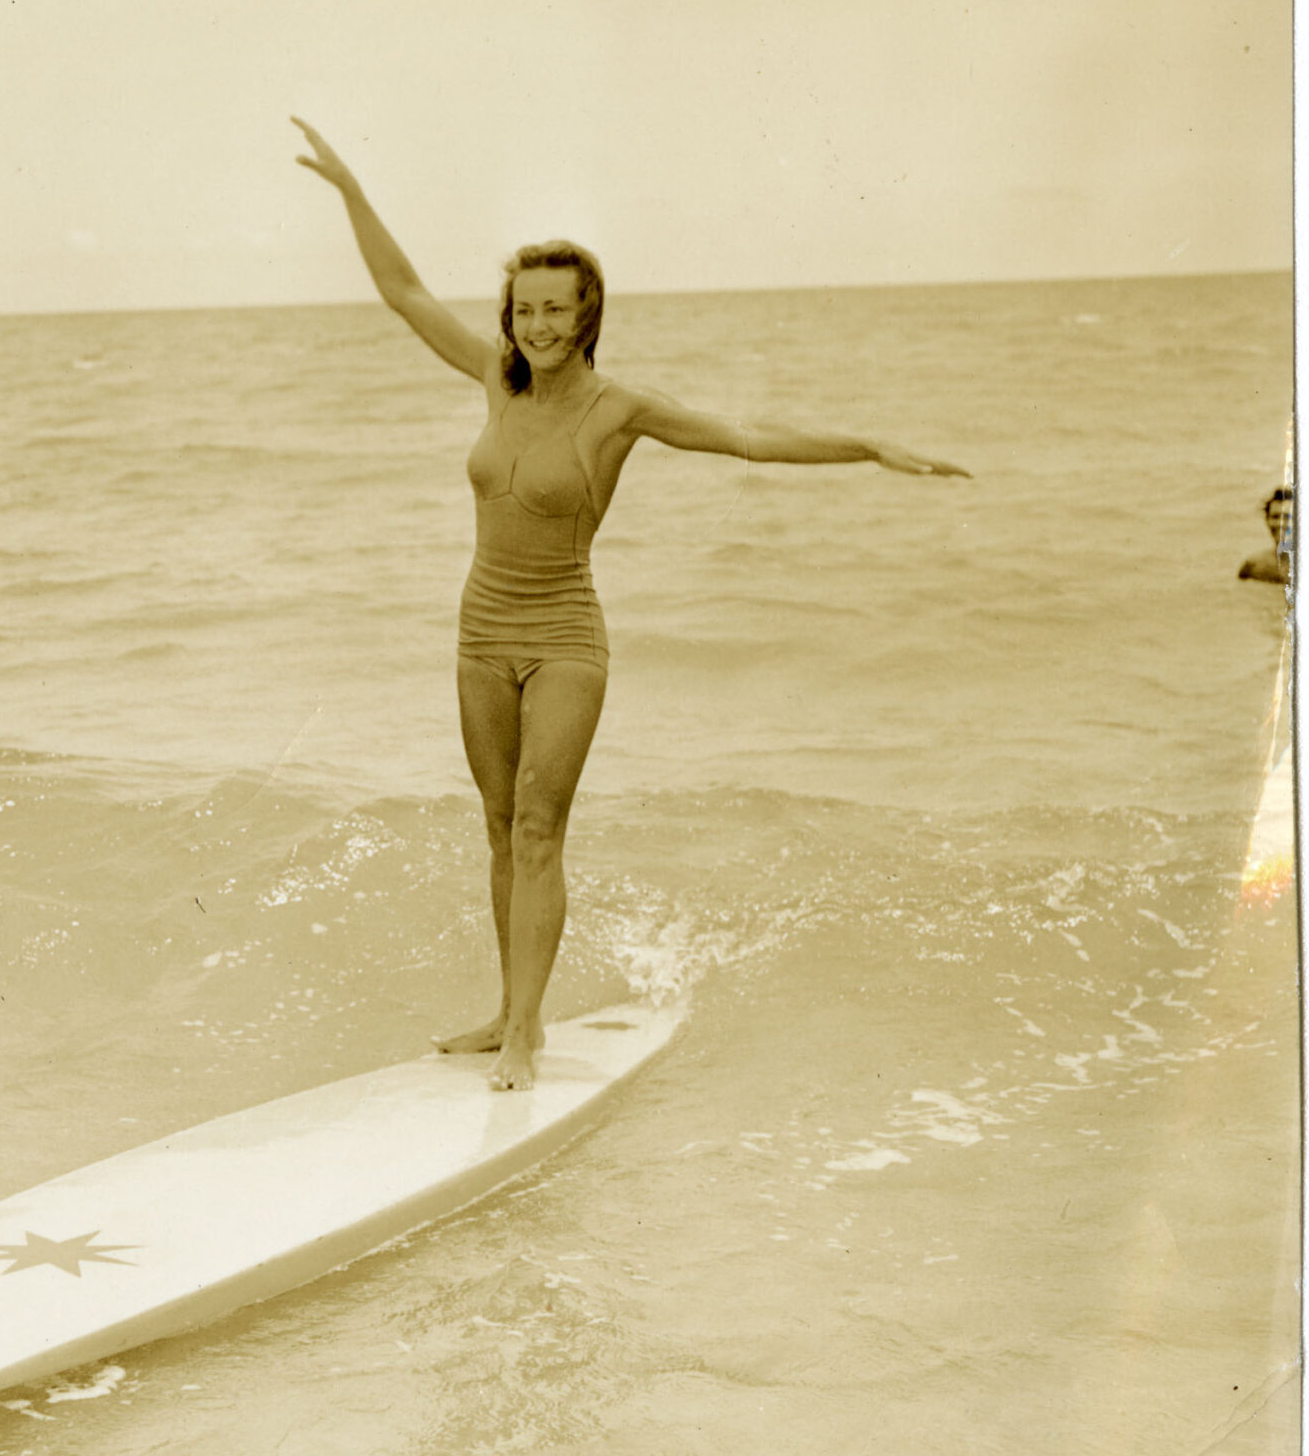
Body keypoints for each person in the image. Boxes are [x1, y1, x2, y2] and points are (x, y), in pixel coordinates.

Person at [292, 118, 970, 1089]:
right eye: (523, 308)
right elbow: (404, 294)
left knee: (538, 826)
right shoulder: (495, 380)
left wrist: (867, 446)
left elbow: (746, 437)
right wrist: (352, 190)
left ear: (587, 315)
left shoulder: (620, 409)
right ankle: (508, 1010)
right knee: (498, 823)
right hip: (479, 634)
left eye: (555, 309)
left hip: (565, 637)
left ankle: (526, 1034)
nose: (536, 325)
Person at [1239, 487, 1291, 584]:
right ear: (1267, 520)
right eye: (1275, 517)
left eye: (1287, 517)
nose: (1280, 523)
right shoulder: (1253, 567)